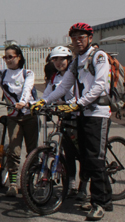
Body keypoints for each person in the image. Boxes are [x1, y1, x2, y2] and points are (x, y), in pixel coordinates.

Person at [34, 23, 113, 221]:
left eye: (82, 37)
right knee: (87, 157)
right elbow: (63, 87)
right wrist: (45, 100)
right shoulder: (76, 61)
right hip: (83, 113)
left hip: (98, 113)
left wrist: (79, 103)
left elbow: (99, 85)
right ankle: (106, 197)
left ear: (89, 38)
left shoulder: (99, 57)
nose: (78, 40)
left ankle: (99, 203)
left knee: (95, 158)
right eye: (75, 37)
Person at [0, 43, 37, 197]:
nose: (8, 60)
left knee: (32, 151)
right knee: (14, 151)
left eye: (11, 57)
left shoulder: (27, 73)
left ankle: (31, 180)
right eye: (6, 57)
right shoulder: (2, 74)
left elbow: (27, 89)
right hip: (13, 117)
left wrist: (23, 102)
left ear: (19, 57)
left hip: (29, 115)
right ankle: (13, 182)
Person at [43, 45, 80, 198]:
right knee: (69, 153)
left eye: (62, 59)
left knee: (83, 153)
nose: (58, 62)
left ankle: (85, 187)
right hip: (65, 119)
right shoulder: (55, 77)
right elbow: (47, 95)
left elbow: (80, 95)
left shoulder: (77, 75)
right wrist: (39, 104)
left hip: (79, 118)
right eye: (55, 59)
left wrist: (68, 104)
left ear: (69, 59)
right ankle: (71, 183)